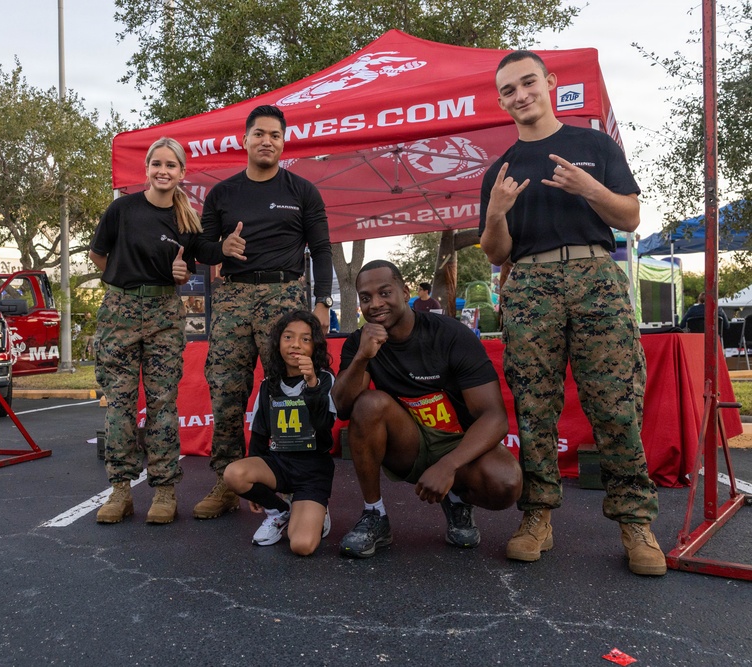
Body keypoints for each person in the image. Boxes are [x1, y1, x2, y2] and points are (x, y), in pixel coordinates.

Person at [479, 50, 666, 576]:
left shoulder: (592, 145)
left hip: (595, 277)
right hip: (530, 283)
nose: (521, 95)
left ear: (550, 83)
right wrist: (495, 215)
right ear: (501, 101)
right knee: (535, 407)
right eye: (509, 90)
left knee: (614, 404)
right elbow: (496, 253)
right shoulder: (502, 170)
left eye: (528, 83)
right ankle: (537, 516)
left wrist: (591, 189)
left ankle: (635, 522)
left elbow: (629, 215)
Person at [190, 104, 334, 519]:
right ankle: (225, 482)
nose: (266, 141)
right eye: (259, 134)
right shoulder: (222, 193)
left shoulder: (302, 191)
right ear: (245, 139)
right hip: (233, 296)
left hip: (285, 296)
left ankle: (292, 479)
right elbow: (202, 246)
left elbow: (321, 250)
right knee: (226, 389)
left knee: (288, 387)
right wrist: (222, 250)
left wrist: (321, 302)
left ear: (283, 141)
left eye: (274, 134)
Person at [333, 260, 522, 558]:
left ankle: (457, 498)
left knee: (506, 482)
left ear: (405, 291)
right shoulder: (361, 343)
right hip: (409, 445)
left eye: (385, 293)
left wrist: (449, 466)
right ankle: (375, 515)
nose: (376, 304)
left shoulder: (449, 334)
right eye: (366, 298)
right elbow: (343, 408)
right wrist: (361, 358)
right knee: (369, 404)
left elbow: (494, 418)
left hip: (458, 442)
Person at [89, 137, 200, 526]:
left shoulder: (187, 219)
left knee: (162, 405)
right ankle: (120, 490)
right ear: (147, 168)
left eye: (171, 165)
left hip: (164, 314)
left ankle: (165, 490)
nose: (163, 170)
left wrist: (181, 275)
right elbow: (99, 254)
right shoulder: (122, 208)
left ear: (182, 172)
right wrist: (123, 280)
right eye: (157, 164)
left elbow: (190, 268)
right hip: (119, 311)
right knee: (118, 406)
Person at [222, 310, 336, 555]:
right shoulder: (268, 385)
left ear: (315, 345)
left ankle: (317, 510)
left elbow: (324, 424)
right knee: (234, 473)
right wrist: (258, 489)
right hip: (279, 465)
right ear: (277, 343)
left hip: (312, 471)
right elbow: (260, 434)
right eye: (288, 337)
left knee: (302, 546)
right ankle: (280, 511)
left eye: (306, 339)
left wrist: (312, 383)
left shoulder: (325, 379)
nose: (296, 344)